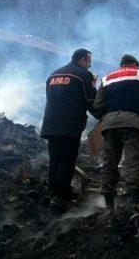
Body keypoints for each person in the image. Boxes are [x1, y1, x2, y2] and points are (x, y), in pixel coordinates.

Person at [94, 54, 139, 209]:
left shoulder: (107, 78)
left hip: (109, 125)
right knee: (132, 159)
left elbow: (97, 104)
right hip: (133, 123)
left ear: (121, 65)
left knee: (109, 162)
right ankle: (134, 199)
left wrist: (106, 117)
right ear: (135, 63)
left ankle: (109, 201)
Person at [41, 48, 97, 211]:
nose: (90, 64)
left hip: (51, 124)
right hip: (69, 125)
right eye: (89, 61)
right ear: (82, 60)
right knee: (67, 160)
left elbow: (50, 99)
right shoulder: (84, 75)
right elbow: (90, 100)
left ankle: (52, 192)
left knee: (55, 159)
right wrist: (102, 114)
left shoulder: (53, 75)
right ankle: (62, 197)